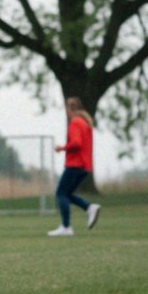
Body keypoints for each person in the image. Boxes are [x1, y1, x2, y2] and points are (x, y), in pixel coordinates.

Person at [48, 97, 101, 237]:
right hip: (84, 165)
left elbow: (76, 143)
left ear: (68, 108)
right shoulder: (84, 123)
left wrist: (62, 148)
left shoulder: (75, 123)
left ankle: (66, 227)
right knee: (67, 194)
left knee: (61, 193)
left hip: (75, 164)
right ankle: (89, 207)